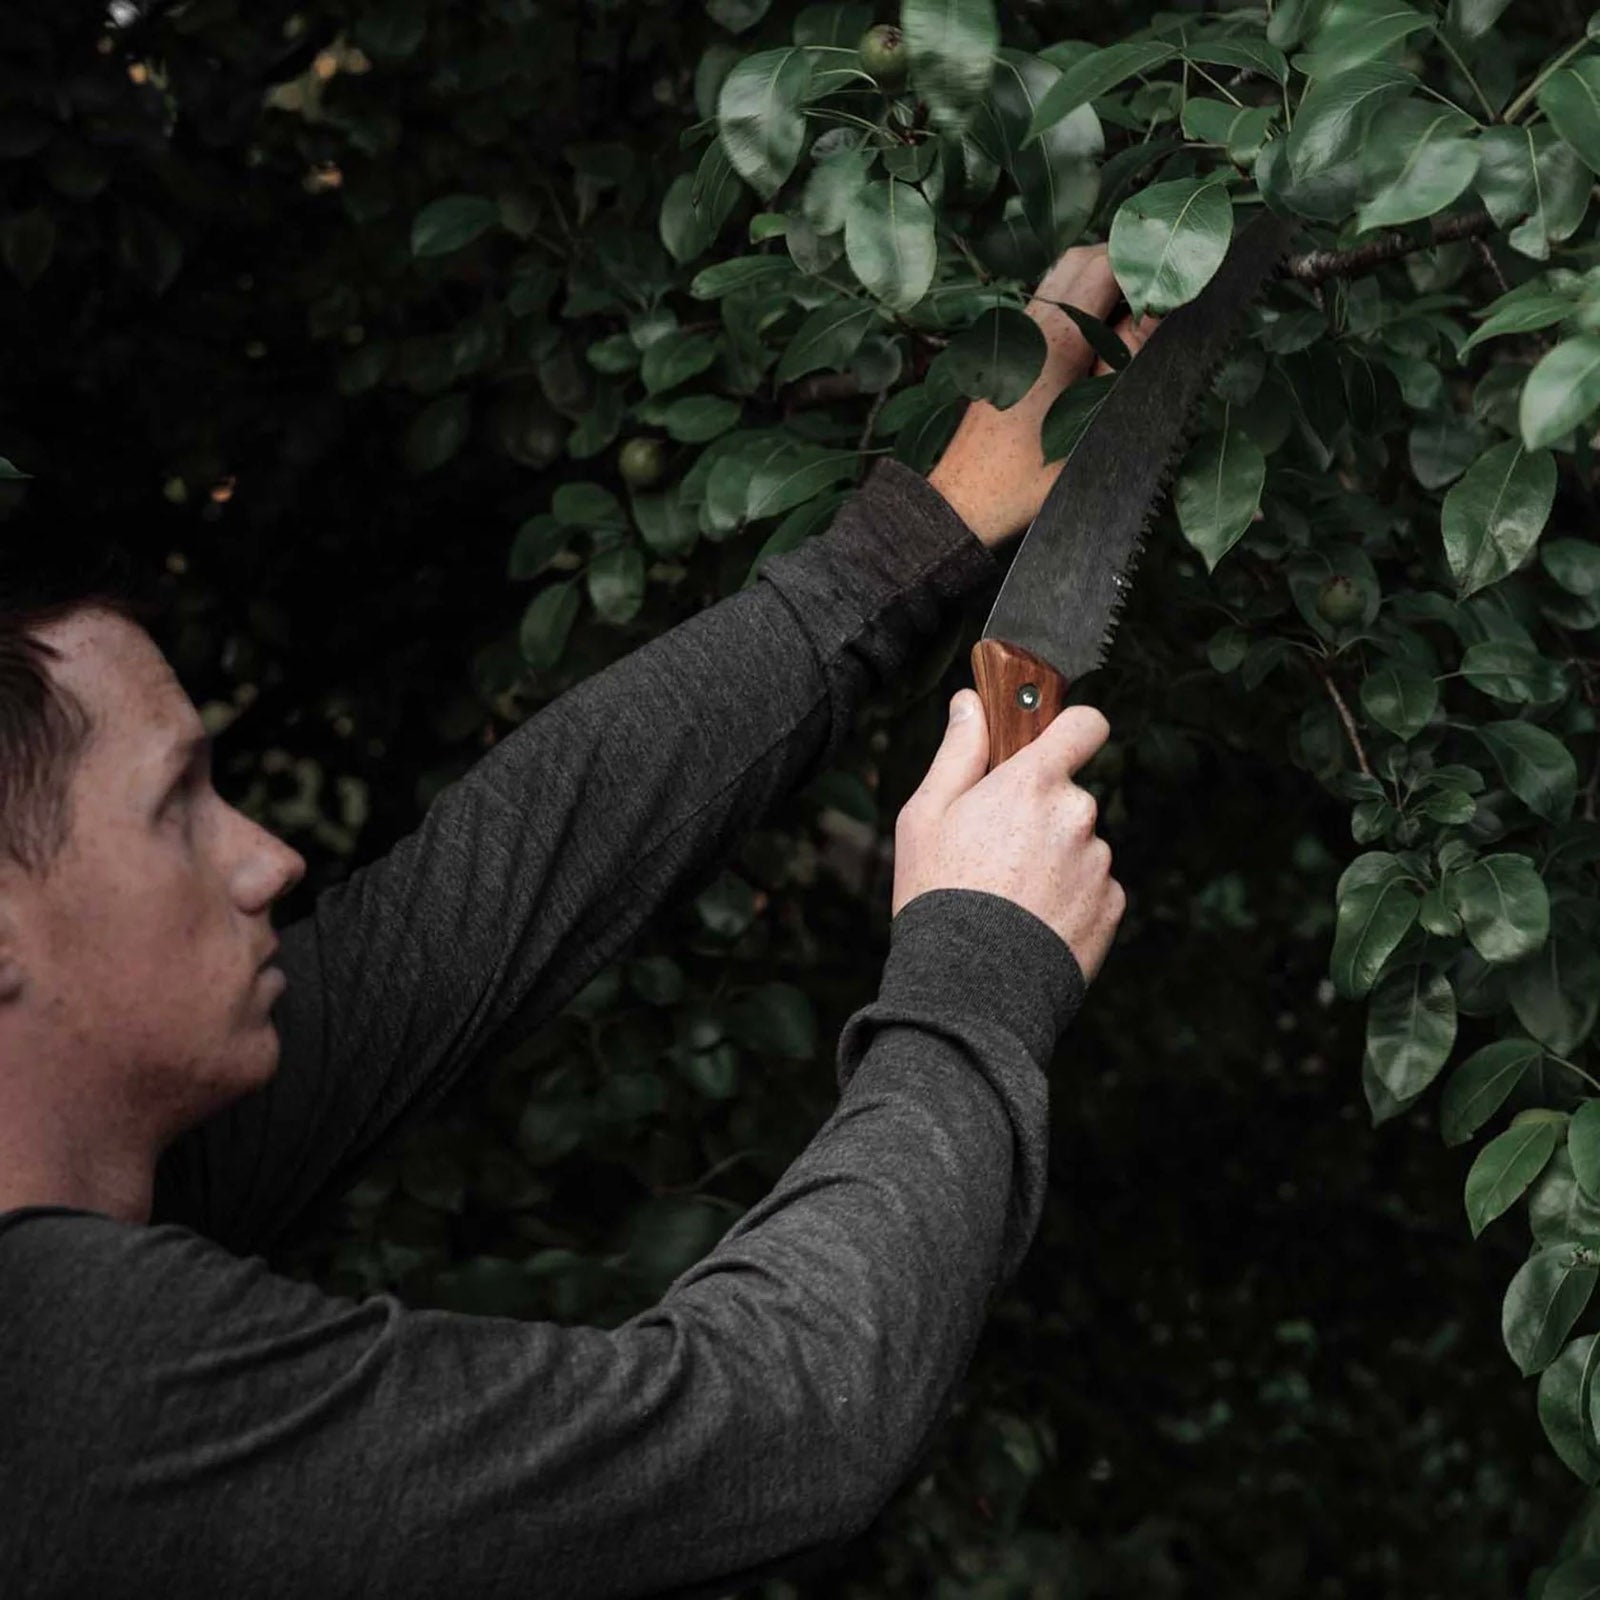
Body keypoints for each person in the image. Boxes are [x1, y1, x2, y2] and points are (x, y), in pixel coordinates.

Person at [0, 243, 1145, 1599]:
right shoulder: (72, 1389)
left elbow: (484, 901)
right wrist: (980, 965)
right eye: (178, 803)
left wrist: (918, 537)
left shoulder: (99, 1191)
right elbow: (777, 1421)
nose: (269, 859)